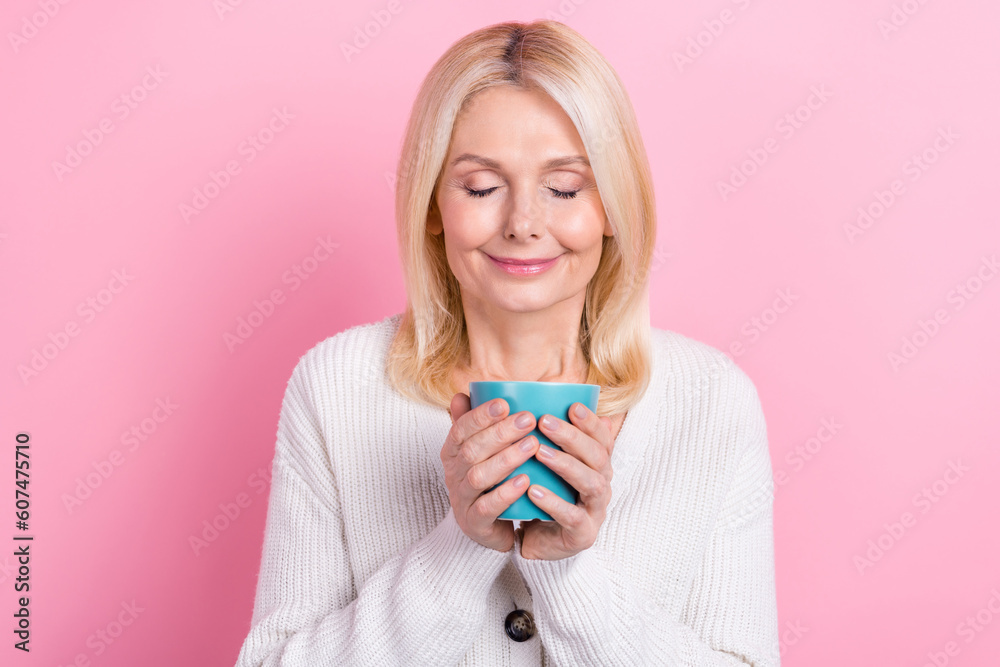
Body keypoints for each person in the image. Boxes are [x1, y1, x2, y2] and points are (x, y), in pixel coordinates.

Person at [235, 19, 779, 667]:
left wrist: (568, 571)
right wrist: (460, 547)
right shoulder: (337, 386)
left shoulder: (711, 401)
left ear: (613, 206)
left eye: (565, 187)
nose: (523, 223)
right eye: (482, 187)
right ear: (432, 205)